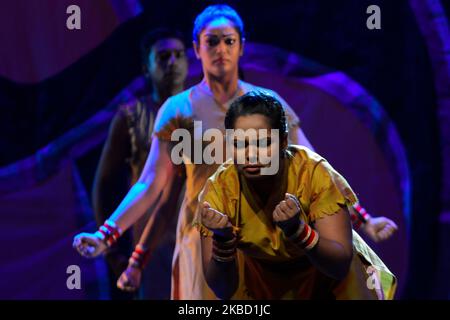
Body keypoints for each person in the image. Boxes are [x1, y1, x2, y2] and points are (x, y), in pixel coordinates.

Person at [74, 4, 396, 299]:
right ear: (197, 48)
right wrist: (106, 236)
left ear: (242, 46)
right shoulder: (178, 109)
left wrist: (364, 220)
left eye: (228, 41)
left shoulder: (267, 104)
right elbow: (150, 183)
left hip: (263, 239)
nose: (220, 50)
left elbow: (314, 169)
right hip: (203, 237)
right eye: (211, 41)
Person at [194, 91, 397, 299]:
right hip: (264, 286)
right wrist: (223, 242)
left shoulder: (312, 172)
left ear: (283, 142)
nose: (251, 154)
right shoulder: (220, 190)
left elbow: (339, 267)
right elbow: (222, 290)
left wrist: (299, 231)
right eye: (240, 144)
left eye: (263, 143)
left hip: (331, 285)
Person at [92, 28, 188, 299]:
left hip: (200, 235)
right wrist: (112, 251)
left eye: (179, 55)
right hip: (151, 244)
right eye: (163, 57)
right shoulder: (131, 116)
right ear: (146, 67)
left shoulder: (203, 110)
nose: (172, 62)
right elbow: (105, 185)